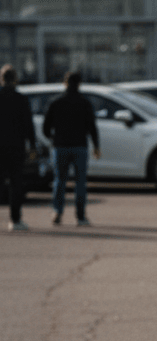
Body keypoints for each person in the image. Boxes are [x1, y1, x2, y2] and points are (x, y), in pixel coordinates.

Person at [43, 71, 99, 227]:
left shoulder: (55, 102)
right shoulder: (85, 103)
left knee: (59, 180)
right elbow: (92, 127)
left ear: (65, 83)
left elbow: (46, 127)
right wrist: (96, 146)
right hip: (80, 146)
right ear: (80, 84)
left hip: (60, 146)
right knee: (80, 182)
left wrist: (53, 138)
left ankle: (57, 212)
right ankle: (80, 217)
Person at [0, 64, 37, 232]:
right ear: (15, 79)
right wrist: (33, 146)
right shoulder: (21, 99)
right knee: (16, 184)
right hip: (16, 146)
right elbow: (28, 125)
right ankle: (15, 220)